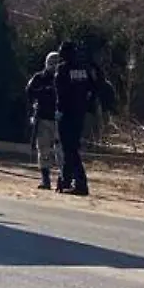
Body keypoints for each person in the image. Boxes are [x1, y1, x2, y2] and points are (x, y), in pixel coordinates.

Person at [54, 40, 99, 196]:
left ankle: (80, 182)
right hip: (80, 114)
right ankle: (65, 181)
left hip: (66, 115)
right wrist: (86, 105)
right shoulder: (84, 70)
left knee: (69, 149)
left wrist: (59, 111)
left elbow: (60, 93)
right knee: (70, 149)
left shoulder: (63, 69)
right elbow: (93, 89)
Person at [26, 51, 62, 190]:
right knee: (44, 150)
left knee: (61, 151)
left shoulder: (63, 77)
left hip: (59, 119)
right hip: (43, 119)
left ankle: (63, 178)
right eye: (51, 62)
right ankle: (45, 180)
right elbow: (29, 92)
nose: (53, 66)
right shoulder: (39, 78)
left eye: (56, 62)